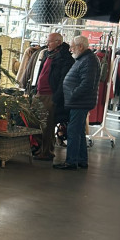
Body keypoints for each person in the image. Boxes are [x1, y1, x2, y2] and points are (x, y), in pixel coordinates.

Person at [55, 36, 99, 170]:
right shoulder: (84, 59)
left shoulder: (88, 60)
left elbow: (87, 83)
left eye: (72, 46)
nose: (70, 49)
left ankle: (71, 161)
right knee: (78, 131)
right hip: (79, 102)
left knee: (73, 131)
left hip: (79, 102)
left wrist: (73, 94)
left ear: (80, 47)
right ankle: (81, 160)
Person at [32, 33, 73, 163]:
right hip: (39, 93)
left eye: (50, 41)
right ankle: (40, 148)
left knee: (47, 125)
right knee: (37, 123)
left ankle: (47, 151)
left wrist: (56, 97)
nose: (47, 43)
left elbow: (63, 81)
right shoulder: (47, 54)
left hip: (50, 95)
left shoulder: (65, 58)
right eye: (47, 41)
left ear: (58, 42)